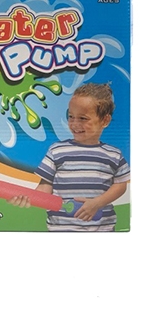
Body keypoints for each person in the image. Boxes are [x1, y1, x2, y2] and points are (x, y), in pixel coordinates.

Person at [10, 83, 130, 231]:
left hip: (101, 230)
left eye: (83, 118)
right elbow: (45, 186)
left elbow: (120, 185)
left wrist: (97, 203)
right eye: (71, 116)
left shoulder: (113, 154)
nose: (74, 123)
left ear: (105, 121)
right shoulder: (57, 151)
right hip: (61, 229)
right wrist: (29, 197)